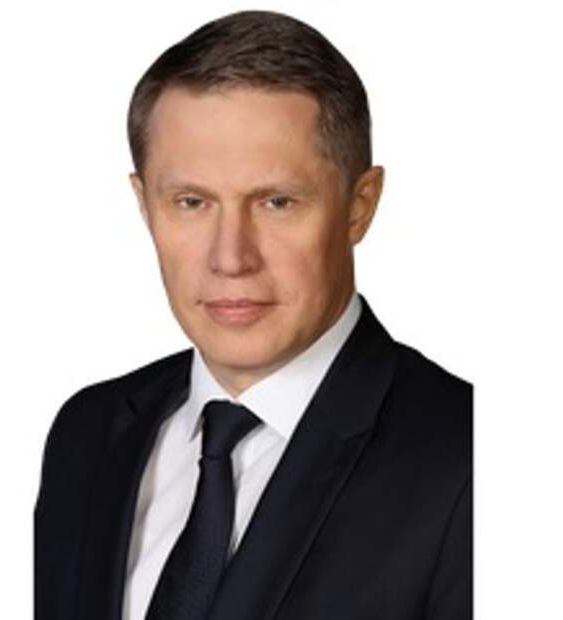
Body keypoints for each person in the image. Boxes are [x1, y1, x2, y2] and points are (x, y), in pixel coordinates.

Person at [34, 10, 472, 620]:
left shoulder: (472, 460)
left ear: (359, 206)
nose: (231, 258)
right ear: (144, 205)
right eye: (191, 202)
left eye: (277, 202)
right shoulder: (87, 433)